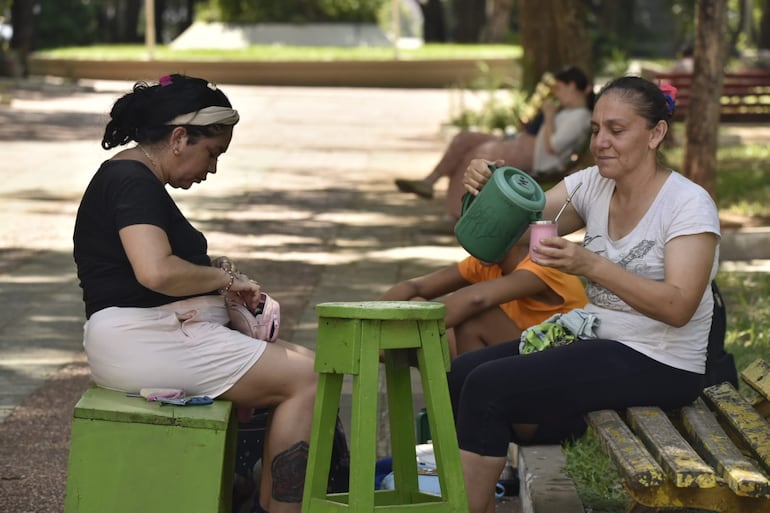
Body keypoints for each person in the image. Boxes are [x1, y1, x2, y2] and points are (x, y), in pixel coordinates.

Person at [453, 75, 720, 513]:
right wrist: (490, 186)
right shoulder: (591, 184)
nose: (601, 142)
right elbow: (523, 224)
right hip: (600, 341)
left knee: (487, 388)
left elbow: (678, 307)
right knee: (462, 374)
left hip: (663, 360)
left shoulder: (688, 205)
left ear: (656, 134)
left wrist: (592, 265)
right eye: (596, 130)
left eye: (617, 130)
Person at [72, 74, 316, 513]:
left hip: (146, 335)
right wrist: (225, 280)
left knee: (305, 364)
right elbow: (157, 272)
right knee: (310, 378)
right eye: (212, 153)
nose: (213, 168)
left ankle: (251, 491)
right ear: (180, 137)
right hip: (143, 338)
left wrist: (213, 276)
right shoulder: (132, 181)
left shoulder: (132, 178)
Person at [394, 65, 595, 220]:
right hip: (523, 143)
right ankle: (429, 181)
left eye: (559, 88)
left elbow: (554, 146)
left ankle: (458, 213)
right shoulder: (566, 111)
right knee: (464, 139)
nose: (556, 94)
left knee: (478, 155)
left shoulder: (581, 116)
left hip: (534, 154)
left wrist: (549, 117)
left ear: (574, 87)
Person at [379, 244, 587, 357]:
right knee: (417, 304)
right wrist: (368, 329)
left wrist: (391, 338)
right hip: (515, 358)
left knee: (476, 319)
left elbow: (475, 299)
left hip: (550, 379)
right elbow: (414, 287)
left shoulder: (544, 263)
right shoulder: (487, 262)